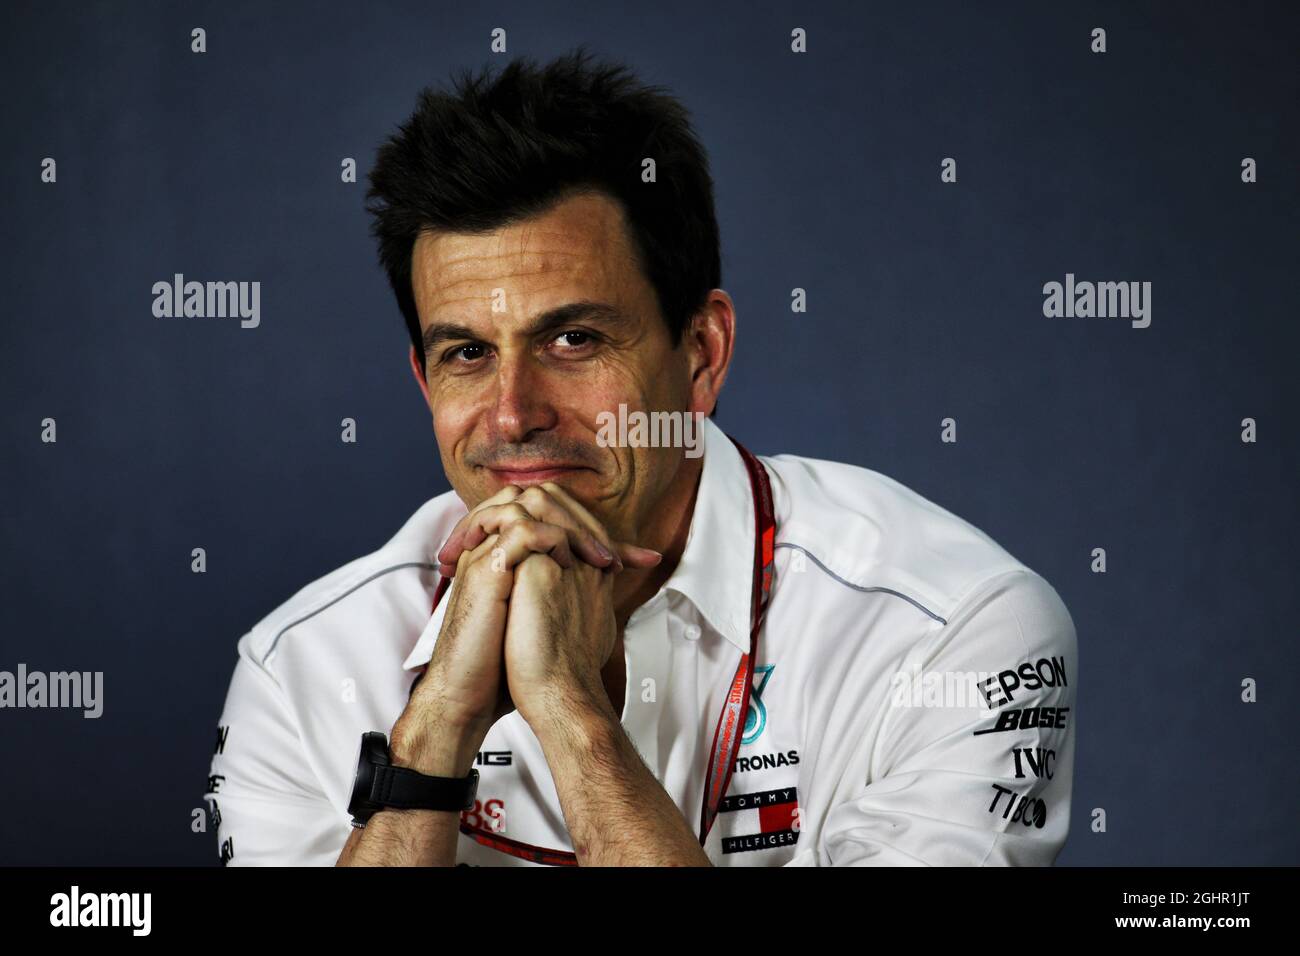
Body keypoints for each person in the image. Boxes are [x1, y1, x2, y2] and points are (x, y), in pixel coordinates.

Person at [203, 47, 1077, 867]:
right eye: (466, 354)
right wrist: (435, 727)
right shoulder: (299, 669)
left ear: (701, 353)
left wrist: (573, 713)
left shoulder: (953, 633)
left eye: (574, 338)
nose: (514, 414)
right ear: (425, 383)